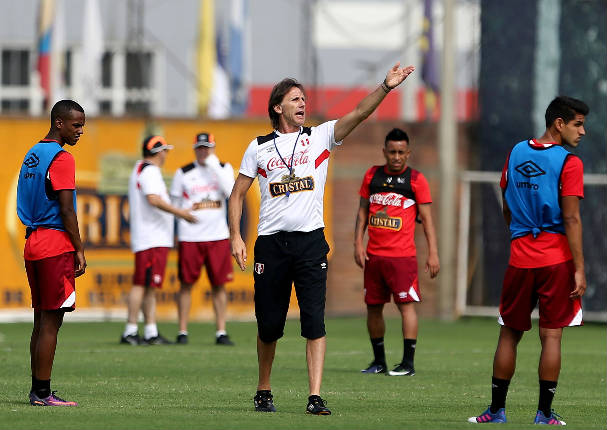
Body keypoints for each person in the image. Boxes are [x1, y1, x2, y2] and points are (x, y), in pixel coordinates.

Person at [228, 62, 415, 415]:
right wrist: (235, 236)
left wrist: (386, 87)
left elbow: (359, 113)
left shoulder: (320, 136)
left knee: (314, 321)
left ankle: (315, 396)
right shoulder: (259, 147)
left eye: (305, 99)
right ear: (277, 107)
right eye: (295, 99)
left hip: (311, 244)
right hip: (271, 243)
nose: (303, 104)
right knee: (269, 325)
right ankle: (263, 389)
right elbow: (237, 194)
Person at [468, 96, 589, 425]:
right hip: (556, 260)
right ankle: (544, 415)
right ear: (559, 124)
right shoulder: (569, 162)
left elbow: (506, 201)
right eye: (578, 124)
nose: (583, 131)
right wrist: (579, 268)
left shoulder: (516, 151)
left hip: (520, 257)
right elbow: (572, 219)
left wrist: (519, 233)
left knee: (509, 333)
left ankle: (495, 411)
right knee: (551, 336)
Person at [17, 99, 86, 406]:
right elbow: (67, 210)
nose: (80, 131)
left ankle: (37, 390)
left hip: (33, 243)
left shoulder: (32, 154)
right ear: (59, 122)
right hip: (54, 244)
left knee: (40, 320)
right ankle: (43, 393)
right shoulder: (62, 157)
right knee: (51, 322)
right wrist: (79, 249)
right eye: (76, 124)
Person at [355, 128, 439, 377]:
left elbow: (428, 220)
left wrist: (433, 253)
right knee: (373, 307)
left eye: (401, 152)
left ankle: (408, 363)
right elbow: (362, 213)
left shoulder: (416, 181)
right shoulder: (372, 175)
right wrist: (357, 244)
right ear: (384, 152)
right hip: (374, 256)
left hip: (402, 258)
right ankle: (378, 361)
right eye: (392, 151)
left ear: (408, 153)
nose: (396, 156)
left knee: (406, 307)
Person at [121, 135, 196, 346]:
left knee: (149, 286)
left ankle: (151, 331)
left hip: (150, 236)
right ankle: (131, 329)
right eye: (164, 150)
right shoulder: (150, 171)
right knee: (141, 284)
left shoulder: (141, 168)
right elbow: (153, 199)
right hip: (151, 237)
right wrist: (180, 213)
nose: (166, 155)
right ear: (157, 151)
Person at [170, 132, 236, 345]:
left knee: (219, 285)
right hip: (191, 236)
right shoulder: (184, 172)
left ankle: (221, 331)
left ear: (213, 148)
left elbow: (230, 192)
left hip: (217, 235)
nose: (203, 151)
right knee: (186, 284)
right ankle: (182, 331)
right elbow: (175, 203)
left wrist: (214, 165)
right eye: (199, 148)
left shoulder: (223, 168)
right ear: (194, 149)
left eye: (207, 147)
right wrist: (178, 231)